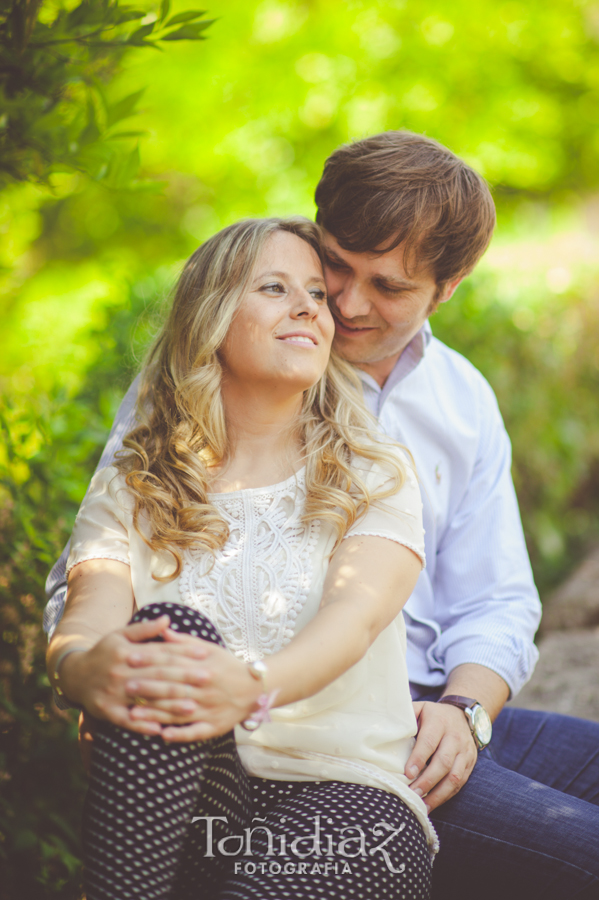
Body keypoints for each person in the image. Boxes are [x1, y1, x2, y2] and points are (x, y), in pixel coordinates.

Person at [45, 132, 599, 898]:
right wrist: (97, 673)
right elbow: (99, 573)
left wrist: (467, 711)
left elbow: (493, 600)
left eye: (389, 285)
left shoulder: (453, 403)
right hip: (283, 725)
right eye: (333, 264)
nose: (342, 303)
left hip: (417, 713)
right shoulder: (201, 388)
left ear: (449, 286)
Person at [46, 216, 437, 900]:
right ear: (213, 318)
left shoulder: (375, 471)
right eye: (274, 287)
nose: (310, 308)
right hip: (186, 800)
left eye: (316, 293)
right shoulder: (137, 479)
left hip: (345, 801)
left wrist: (251, 686)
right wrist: (85, 669)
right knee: (170, 635)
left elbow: (355, 618)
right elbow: (91, 608)